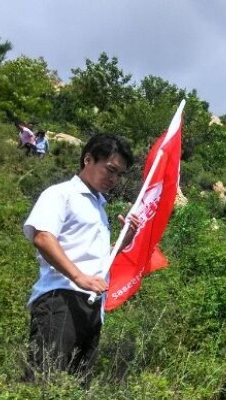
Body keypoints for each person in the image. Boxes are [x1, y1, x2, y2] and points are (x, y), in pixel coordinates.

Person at [23, 133, 135, 380]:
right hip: (61, 298)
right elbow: (42, 237)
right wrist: (79, 277)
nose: (113, 179)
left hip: (93, 307)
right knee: (43, 381)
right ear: (88, 159)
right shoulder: (61, 194)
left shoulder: (99, 208)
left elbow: (92, 257)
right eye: (110, 170)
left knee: (74, 390)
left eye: (118, 174)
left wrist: (122, 243)